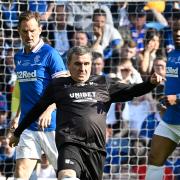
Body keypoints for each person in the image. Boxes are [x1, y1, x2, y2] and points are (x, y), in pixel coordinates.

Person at [9, 46, 164, 180]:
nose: (82, 68)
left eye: (86, 64)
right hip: (69, 144)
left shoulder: (103, 83)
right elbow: (36, 109)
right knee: (67, 176)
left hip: (96, 149)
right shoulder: (58, 85)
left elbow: (133, 90)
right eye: (77, 64)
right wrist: (18, 132)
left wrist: (150, 83)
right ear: (68, 65)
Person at [9, 11, 66, 180]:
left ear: (40, 30)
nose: (29, 35)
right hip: (28, 127)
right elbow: (26, 90)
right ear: (19, 31)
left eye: (33, 30)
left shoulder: (51, 54)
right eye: (25, 31)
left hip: (53, 125)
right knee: (20, 174)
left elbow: (63, 89)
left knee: (65, 174)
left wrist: (49, 109)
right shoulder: (18, 57)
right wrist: (17, 116)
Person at [145, 16, 180, 180]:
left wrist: (177, 98)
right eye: (175, 30)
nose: (178, 33)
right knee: (154, 159)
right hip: (171, 119)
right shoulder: (172, 54)